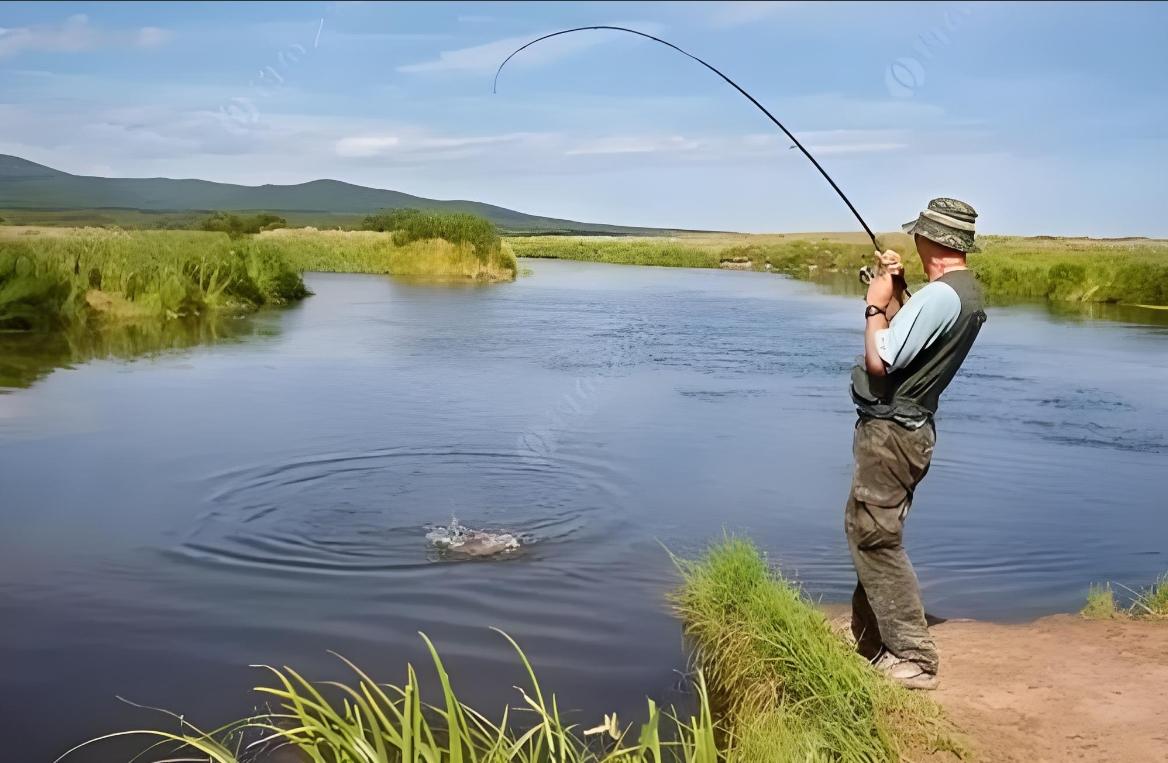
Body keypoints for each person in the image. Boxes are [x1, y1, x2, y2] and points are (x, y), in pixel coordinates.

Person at [846, 197, 986, 690]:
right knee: (868, 526)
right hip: (907, 431)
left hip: (893, 434)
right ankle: (868, 636)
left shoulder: (942, 296)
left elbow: (883, 358)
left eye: (919, 234)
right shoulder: (957, 292)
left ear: (932, 240)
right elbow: (913, 335)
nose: (913, 240)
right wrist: (899, 292)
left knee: (876, 536)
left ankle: (914, 656)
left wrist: (874, 304)